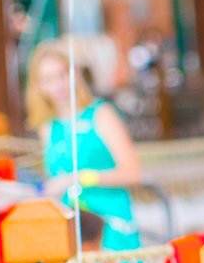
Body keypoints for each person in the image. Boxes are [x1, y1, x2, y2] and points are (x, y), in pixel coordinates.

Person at [25, 39, 142, 251]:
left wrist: (79, 178)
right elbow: (55, 180)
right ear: (38, 85)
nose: (58, 85)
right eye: (48, 79)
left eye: (63, 74)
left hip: (110, 227)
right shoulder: (48, 127)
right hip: (72, 231)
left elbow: (133, 173)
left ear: (76, 73)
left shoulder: (101, 114)